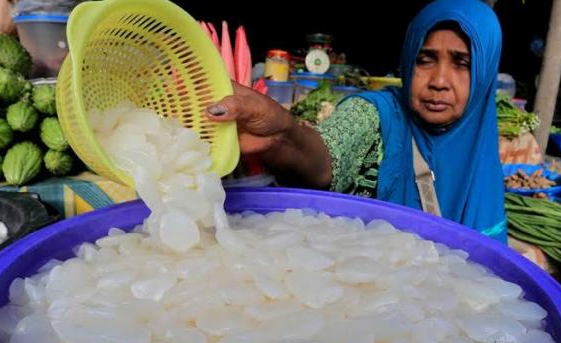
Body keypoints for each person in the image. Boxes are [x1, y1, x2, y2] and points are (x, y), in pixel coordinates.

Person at [206, 0, 508, 243]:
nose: (439, 81)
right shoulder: (375, 114)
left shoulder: (481, 140)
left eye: (462, 63)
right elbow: (327, 153)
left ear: (485, 73)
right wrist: (283, 135)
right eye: (425, 59)